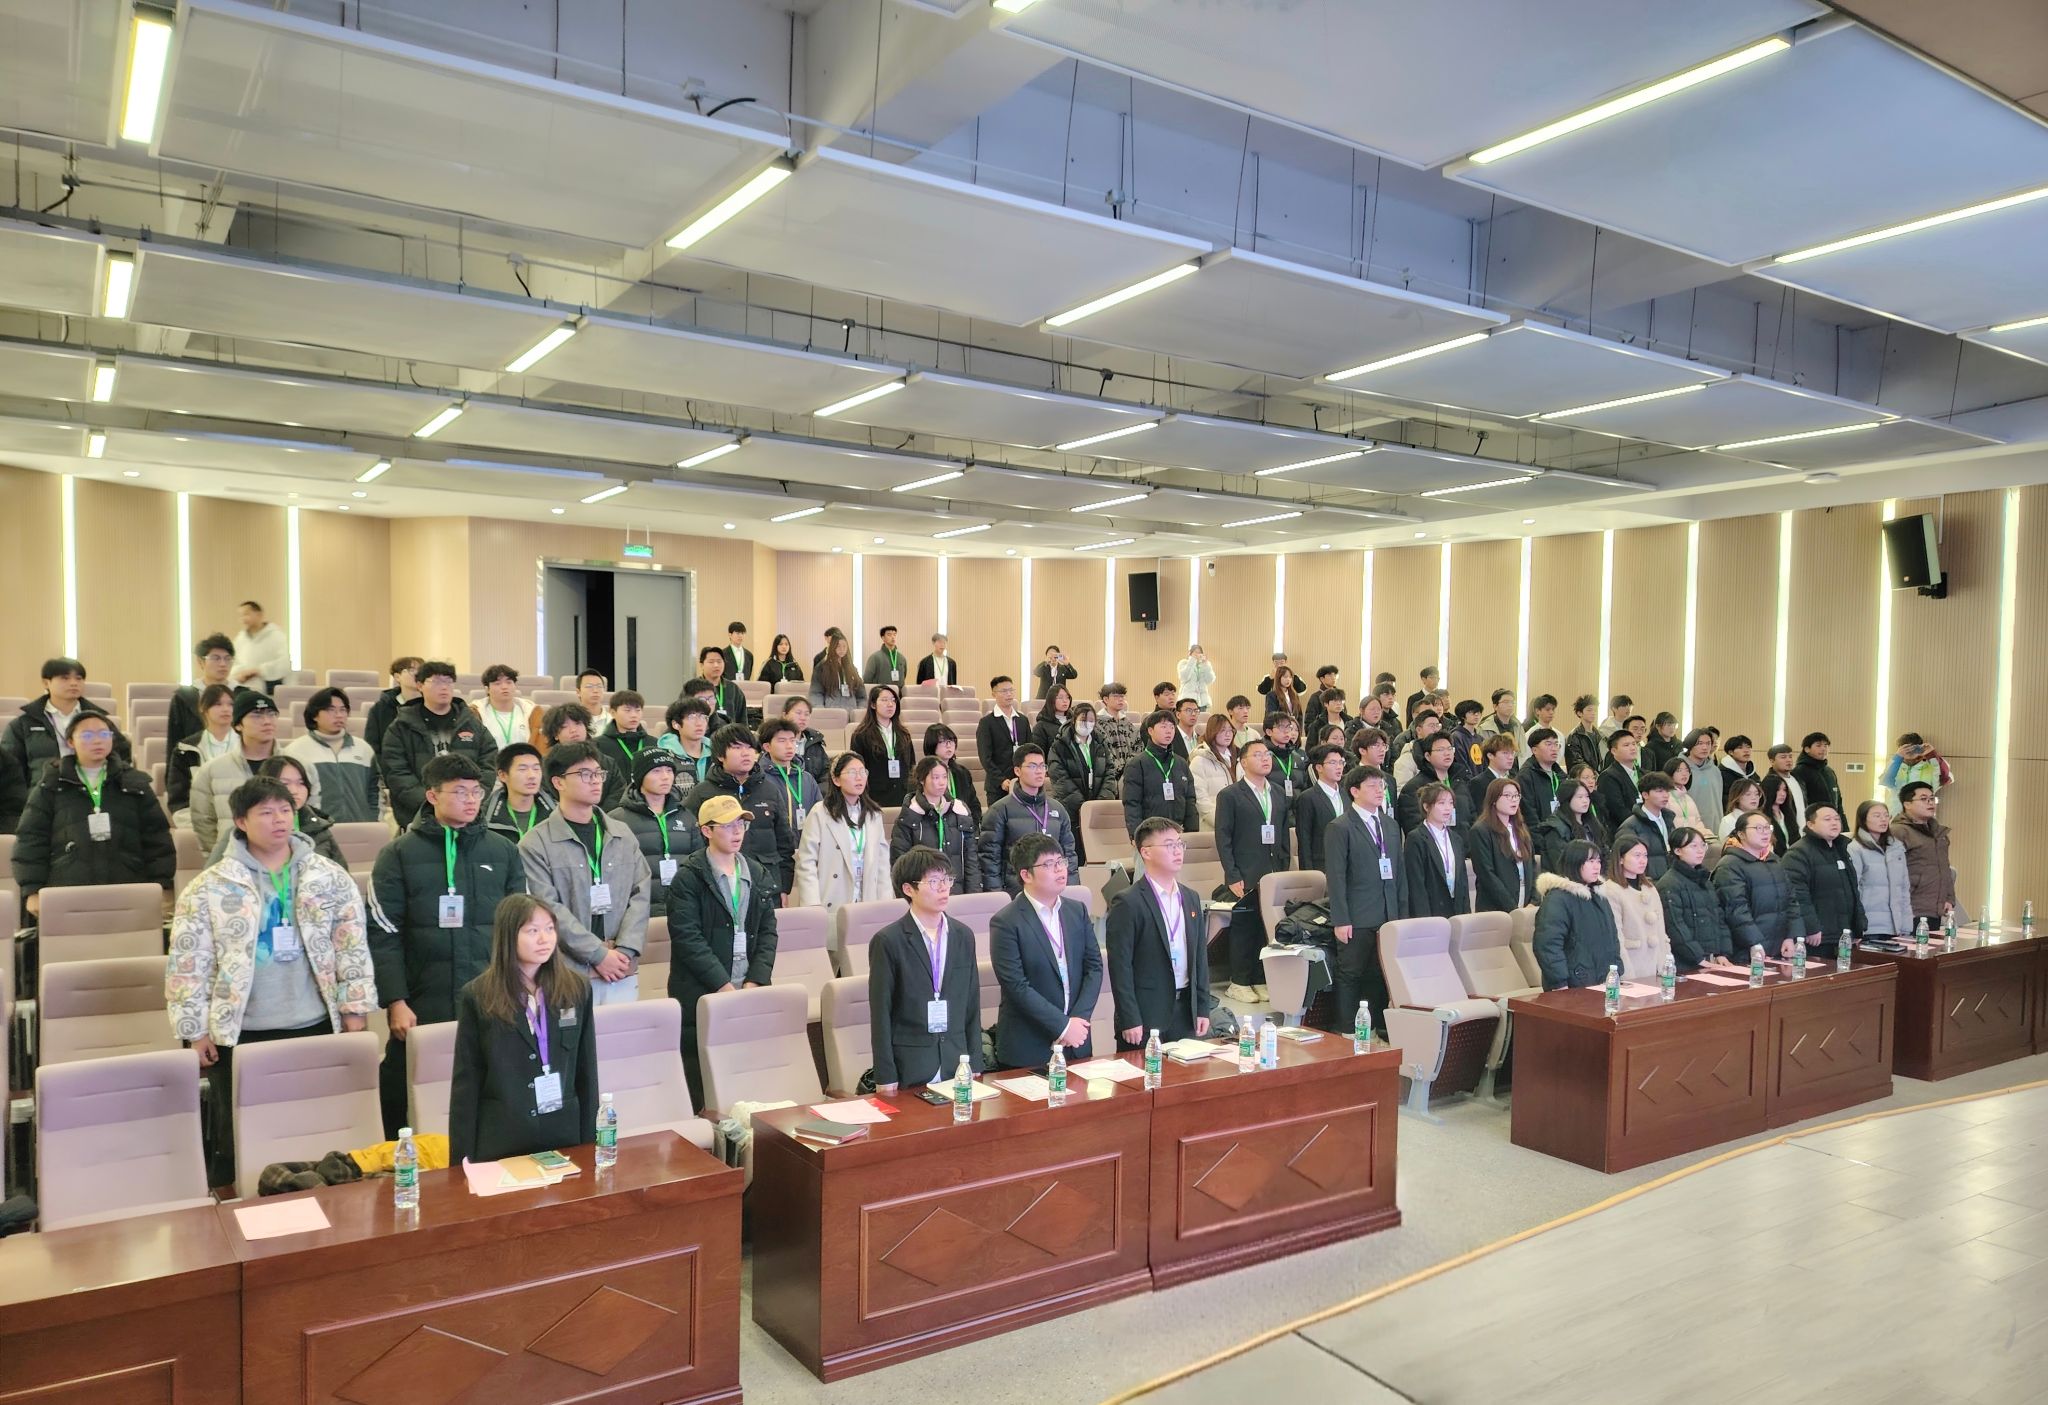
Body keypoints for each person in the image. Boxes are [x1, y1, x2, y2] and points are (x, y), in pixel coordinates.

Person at [168, 776, 374, 1182]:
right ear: (240, 822)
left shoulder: (327, 876)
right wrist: (195, 1030)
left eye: (285, 810)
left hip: (315, 1022)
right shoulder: (211, 885)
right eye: (266, 812)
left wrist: (355, 1009)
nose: (279, 820)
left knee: (315, 1130)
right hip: (241, 1031)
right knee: (245, 1138)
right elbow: (189, 962)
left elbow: (351, 946)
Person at [366, 753, 525, 1135]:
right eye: (459, 792)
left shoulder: (503, 850)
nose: (471, 800)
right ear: (432, 795)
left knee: (491, 1084)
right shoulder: (398, 854)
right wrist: (396, 1000)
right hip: (424, 995)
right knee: (408, 1084)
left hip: (489, 991)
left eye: (476, 792)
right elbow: (384, 932)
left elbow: (519, 927)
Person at [447, 894, 598, 1165]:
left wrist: (591, 1146)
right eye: (533, 931)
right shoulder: (479, 996)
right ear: (508, 936)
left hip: (564, 1134)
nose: (544, 939)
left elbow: (587, 1073)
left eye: (549, 929)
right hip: (502, 1138)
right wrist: (460, 1164)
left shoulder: (576, 988)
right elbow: (467, 1084)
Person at [666, 794, 781, 1110]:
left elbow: (768, 931)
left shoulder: (755, 872)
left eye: (741, 824)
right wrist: (723, 985)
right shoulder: (689, 877)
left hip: (748, 988)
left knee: (746, 1076)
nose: (737, 831)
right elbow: (688, 938)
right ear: (706, 830)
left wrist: (756, 980)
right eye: (728, 825)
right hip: (703, 992)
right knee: (703, 1081)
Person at [519, 741, 650, 1004]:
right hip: (568, 972)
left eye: (598, 773)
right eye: (584, 774)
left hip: (621, 968)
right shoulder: (535, 843)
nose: (595, 780)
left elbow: (641, 893)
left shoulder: (621, 833)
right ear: (558, 782)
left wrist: (624, 950)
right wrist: (597, 955)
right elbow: (548, 908)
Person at [13, 711, 173, 918]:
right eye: (87, 735)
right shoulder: (52, 785)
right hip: (67, 889)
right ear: (71, 742)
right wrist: (32, 890)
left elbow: (157, 838)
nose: (97, 741)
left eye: (104, 734)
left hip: (128, 886)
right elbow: (31, 838)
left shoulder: (134, 783)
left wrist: (163, 884)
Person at [869, 846, 983, 1091]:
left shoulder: (963, 935)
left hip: (957, 1062)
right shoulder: (888, 941)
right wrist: (885, 1075)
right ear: (908, 889)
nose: (943, 888)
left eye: (946, 879)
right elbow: (880, 1013)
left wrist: (975, 1060)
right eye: (933, 881)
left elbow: (971, 1003)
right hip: (911, 1066)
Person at [990, 833, 1102, 1069]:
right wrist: (1062, 1026)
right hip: (1029, 1045)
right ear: (1026, 875)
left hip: (1077, 1040)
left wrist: (1078, 1020)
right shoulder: (1006, 921)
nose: (1060, 869)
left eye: (1060, 861)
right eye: (1049, 864)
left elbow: (1094, 967)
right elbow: (1016, 985)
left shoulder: (1077, 911)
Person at [1105, 818, 1213, 1048]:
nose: (1177, 851)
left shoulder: (1190, 897)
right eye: (1169, 845)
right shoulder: (1128, 901)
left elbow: (1200, 957)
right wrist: (1129, 1017)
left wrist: (1202, 1006)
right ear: (1146, 852)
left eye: (1180, 844)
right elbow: (1120, 967)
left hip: (1185, 1010)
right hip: (1145, 1014)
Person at [2, 658, 129, 832]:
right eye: (65, 678)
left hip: (93, 794)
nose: (73, 683)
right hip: (43, 797)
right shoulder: (23, 724)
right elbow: (11, 770)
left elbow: (121, 757)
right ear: (46, 682)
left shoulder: (99, 721)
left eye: (79, 678)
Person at [1325, 765, 1404, 1034]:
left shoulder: (1390, 825)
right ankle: (1347, 1029)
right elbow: (1336, 877)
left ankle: (1374, 1028)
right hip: (1356, 915)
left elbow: (1399, 874)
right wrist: (1341, 919)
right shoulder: (1340, 827)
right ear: (1354, 791)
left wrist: (1400, 916)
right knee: (1351, 973)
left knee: (1379, 974)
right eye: (1371, 786)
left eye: (1381, 785)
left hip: (1387, 913)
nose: (1379, 790)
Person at [1214, 736, 1292, 1002]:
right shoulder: (1230, 795)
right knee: (1245, 928)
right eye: (1257, 755)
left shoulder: (1278, 792)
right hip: (1245, 872)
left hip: (1273, 872)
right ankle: (1239, 981)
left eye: (1267, 754)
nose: (1265, 758)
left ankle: (1259, 978)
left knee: (1265, 927)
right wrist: (1232, 875)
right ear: (1243, 762)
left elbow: (1283, 834)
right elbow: (1223, 838)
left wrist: (1283, 869)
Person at [679, 725, 793, 895]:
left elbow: (785, 843)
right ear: (720, 755)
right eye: (737, 747)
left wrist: (784, 888)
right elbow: (689, 842)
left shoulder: (769, 790)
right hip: (718, 885)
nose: (746, 753)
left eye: (749, 747)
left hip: (766, 884)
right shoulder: (702, 793)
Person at [380, 661, 497, 828]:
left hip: (466, 815)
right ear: (419, 685)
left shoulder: (471, 722)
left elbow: (488, 763)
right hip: (418, 815)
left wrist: (471, 796)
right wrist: (432, 802)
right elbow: (396, 772)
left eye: (448, 681)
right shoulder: (401, 727)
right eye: (436, 682)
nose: (444, 687)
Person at [794, 753, 891, 911]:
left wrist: (886, 903)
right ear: (836, 779)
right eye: (852, 772)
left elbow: (882, 864)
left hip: (867, 898)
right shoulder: (820, 813)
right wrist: (812, 904)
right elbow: (806, 862)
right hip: (831, 898)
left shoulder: (873, 814)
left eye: (862, 772)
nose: (859, 777)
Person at [1714, 810, 1816, 960]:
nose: (1765, 832)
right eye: (1758, 828)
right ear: (1741, 834)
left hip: (1779, 948)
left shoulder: (1774, 861)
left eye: (1768, 827)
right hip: (1747, 950)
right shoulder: (1730, 865)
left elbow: (1791, 901)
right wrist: (1754, 943)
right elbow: (1736, 910)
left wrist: (1791, 936)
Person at [977, 745, 1078, 895]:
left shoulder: (1058, 809)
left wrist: (1071, 890)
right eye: (1032, 766)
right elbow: (990, 859)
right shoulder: (1000, 810)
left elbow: (1069, 854)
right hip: (1016, 892)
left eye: (1042, 766)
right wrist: (997, 895)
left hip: (1053, 891)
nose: (1039, 771)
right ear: (1017, 771)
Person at [191, 691, 280, 853]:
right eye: (257, 715)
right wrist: (220, 854)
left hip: (287, 857)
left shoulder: (298, 766)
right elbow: (203, 821)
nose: (267, 721)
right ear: (238, 725)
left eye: (272, 714)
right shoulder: (212, 770)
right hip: (231, 857)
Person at [222, 754, 346, 869]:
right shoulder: (239, 834)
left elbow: (341, 874)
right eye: (285, 783)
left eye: (301, 783)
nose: (294, 791)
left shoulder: (319, 827)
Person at [1532, 841, 1621, 990]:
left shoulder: (1599, 896)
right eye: (1590, 861)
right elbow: (1548, 945)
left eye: (1598, 861)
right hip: (1570, 986)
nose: (1597, 866)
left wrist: (1617, 971)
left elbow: (1612, 939)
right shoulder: (1557, 899)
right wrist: (1559, 983)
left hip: (1602, 983)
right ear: (1574, 862)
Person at [283, 687, 379, 822]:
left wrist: (373, 820)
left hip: (360, 826)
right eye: (331, 710)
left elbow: (374, 792)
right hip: (316, 828)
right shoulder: (295, 751)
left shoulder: (363, 749)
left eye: (343, 710)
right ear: (315, 715)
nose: (339, 715)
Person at [1781, 803, 1864, 959]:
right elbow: (1798, 895)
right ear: (1810, 824)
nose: (1834, 823)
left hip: (1843, 934)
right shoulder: (1798, 853)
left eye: (1837, 819)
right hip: (1817, 937)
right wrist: (1811, 927)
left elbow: (1853, 890)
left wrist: (1858, 927)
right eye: (1827, 819)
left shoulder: (1843, 848)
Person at [613, 751, 695, 906]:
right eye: (656, 771)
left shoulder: (686, 816)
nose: (665, 777)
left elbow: (698, 864)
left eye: (669, 770)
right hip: (639, 908)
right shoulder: (617, 820)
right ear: (639, 777)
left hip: (683, 906)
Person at [892, 756, 982, 891]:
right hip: (924, 892)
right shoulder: (910, 815)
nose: (941, 782)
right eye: (935, 777)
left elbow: (971, 858)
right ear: (922, 780)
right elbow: (900, 862)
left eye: (944, 777)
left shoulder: (960, 811)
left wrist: (974, 893)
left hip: (956, 890)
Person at [1659, 828, 1739, 971]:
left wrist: (1722, 953)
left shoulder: (1705, 881)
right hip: (1685, 963)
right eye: (1693, 846)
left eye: (1703, 845)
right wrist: (1698, 958)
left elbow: (1719, 919)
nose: (1700, 850)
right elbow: (1675, 927)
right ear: (1677, 850)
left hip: (1711, 959)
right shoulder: (1669, 884)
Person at [759, 719, 823, 892]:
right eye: (782, 741)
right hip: (775, 854)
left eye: (792, 740)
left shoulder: (807, 778)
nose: (789, 746)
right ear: (767, 746)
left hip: (807, 851)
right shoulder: (760, 779)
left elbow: (820, 814)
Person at [169, 682, 238, 826]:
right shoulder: (186, 750)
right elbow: (179, 802)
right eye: (218, 704)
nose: (226, 709)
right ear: (203, 708)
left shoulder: (249, 745)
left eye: (230, 704)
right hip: (199, 825)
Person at [1603, 835, 1672, 980]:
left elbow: (1661, 931)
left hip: (1657, 967)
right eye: (1637, 855)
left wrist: (1666, 964)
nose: (1643, 860)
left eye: (1645, 856)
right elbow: (1616, 936)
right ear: (1621, 859)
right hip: (1632, 967)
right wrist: (1627, 975)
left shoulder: (1650, 888)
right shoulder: (1611, 890)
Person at [1049, 702, 1112, 857]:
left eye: (1091, 720)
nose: (1087, 724)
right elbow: (1060, 778)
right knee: (1075, 852)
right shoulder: (1060, 746)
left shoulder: (1101, 743)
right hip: (1072, 809)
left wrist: (1099, 803)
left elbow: (1110, 772)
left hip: (1097, 808)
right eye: (1083, 720)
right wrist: (1082, 806)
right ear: (1073, 720)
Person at [1122, 708, 1198, 837]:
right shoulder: (1137, 764)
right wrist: (1136, 835)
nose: (1169, 731)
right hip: (1150, 834)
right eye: (1163, 726)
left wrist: (1192, 833)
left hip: (1179, 832)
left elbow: (1190, 800)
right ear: (1150, 731)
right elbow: (1132, 803)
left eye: (1172, 727)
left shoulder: (1181, 763)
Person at [1468, 777, 1539, 912]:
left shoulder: (1521, 828)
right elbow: (1487, 874)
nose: (1513, 800)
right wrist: (1512, 907)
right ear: (1494, 799)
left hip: (1526, 904)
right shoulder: (1480, 831)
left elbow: (1533, 867)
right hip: (1496, 909)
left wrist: (1534, 901)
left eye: (1516, 796)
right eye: (1507, 795)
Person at [1401, 782, 1470, 918]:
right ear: (1426, 806)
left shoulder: (1456, 838)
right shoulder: (1416, 838)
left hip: (1456, 909)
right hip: (1431, 910)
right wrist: (1424, 918)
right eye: (1441, 803)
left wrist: (1466, 913)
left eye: (1451, 803)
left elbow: (1463, 880)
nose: (1448, 808)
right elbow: (1416, 883)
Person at [1893, 781, 1957, 923]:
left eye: (1932, 798)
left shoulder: (1939, 833)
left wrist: (1949, 898)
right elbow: (1892, 873)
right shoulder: (1898, 831)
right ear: (1907, 804)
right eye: (1923, 799)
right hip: (1910, 910)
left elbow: (1945, 870)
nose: (1930, 803)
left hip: (1935, 910)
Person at [1849, 800, 1915, 937]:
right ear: (1863, 819)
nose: (1883, 819)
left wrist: (1906, 925)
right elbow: (1854, 890)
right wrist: (1856, 926)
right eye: (1877, 816)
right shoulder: (1855, 848)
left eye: (1886, 815)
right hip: (1869, 927)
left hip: (1896, 927)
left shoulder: (1897, 848)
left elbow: (1904, 889)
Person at [849, 685, 915, 808]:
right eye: (884, 700)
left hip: (902, 795)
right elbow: (858, 769)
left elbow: (911, 765)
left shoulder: (904, 734)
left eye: (893, 700)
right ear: (873, 705)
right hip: (874, 797)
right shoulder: (861, 735)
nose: (890, 704)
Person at [168, 633, 236, 748]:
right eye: (215, 658)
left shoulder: (242, 694)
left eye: (227, 658)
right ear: (200, 662)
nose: (223, 664)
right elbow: (174, 739)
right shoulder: (184, 697)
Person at [1397, 732, 1468, 833]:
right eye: (1440, 750)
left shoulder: (1459, 781)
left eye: (1450, 749)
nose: (1447, 753)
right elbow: (1414, 826)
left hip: (1462, 842)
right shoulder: (1415, 787)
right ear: (1427, 756)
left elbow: (1471, 816)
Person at [1293, 744, 1348, 873]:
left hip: (1347, 863)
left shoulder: (1346, 795)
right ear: (1319, 767)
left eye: (1341, 762)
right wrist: (1308, 873)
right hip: (1321, 864)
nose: (1339, 767)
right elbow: (1304, 839)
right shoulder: (1308, 798)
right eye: (1333, 763)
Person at [975, 675, 1030, 802]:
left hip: (1022, 783)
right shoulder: (987, 723)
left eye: (1011, 690)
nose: (1009, 694)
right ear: (994, 694)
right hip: (998, 787)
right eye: (1004, 691)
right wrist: (1001, 780)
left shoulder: (1022, 720)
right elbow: (985, 757)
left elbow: (1029, 750)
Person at [485, 742, 552, 843]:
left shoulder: (556, 815)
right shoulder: (485, 818)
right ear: (502, 775)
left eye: (536, 769)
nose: (532, 775)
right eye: (522, 769)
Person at [1615, 772, 1676, 880]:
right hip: (1647, 881)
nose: (1665, 795)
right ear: (1645, 795)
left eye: (1667, 791)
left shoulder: (1668, 820)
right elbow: (1623, 859)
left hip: (1670, 879)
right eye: (1659, 791)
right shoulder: (1630, 826)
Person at [919, 723, 982, 829]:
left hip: (962, 827)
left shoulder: (962, 773)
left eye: (951, 740)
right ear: (931, 745)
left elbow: (974, 804)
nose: (949, 745)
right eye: (942, 741)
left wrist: (972, 826)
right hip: (933, 828)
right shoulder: (923, 773)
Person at [1538, 780, 1606, 874]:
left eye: (1587, 796)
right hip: (1568, 879)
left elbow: (1605, 854)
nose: (1585, 800)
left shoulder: (1592, 824)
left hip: (1595, 877)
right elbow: (1562, 865)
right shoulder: (1556, 829)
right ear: (1567, 799)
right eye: (1580, 797)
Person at [229, 600, 291, 693]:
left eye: (246, 614)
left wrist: (258, 670)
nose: (243, 619)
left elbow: (283, 663)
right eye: (241, 616)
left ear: (259, 615)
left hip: (271, 685)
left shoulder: (276, 635)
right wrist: (240, 673)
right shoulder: (240, 638)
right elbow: (234, 662)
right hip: (244, 684)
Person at [365, 657, 423, 756]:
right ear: (397, 677)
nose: (417, 674)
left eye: (421, 670)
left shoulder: (433, 705)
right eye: (412, 670)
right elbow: (373, 747)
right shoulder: (380, 709)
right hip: (389, 762)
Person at [475, 665, 536, 755]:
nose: (504, 687)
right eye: (497, 683)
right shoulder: (477, 714)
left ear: (515, 686)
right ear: (487, 689)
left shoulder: (530, 712)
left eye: (509, 682)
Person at [1190, 714, 1236, 829]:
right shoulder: (1199, 761)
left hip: (1237, 823)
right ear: (1212, 732)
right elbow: (1201, 801)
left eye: (1230, 730)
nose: (1228, 734)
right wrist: (1222, 823)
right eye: (1223, 730)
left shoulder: (1237, 759)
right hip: (1212, 825)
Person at [1517, 726, 1568, 826]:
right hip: (1540, 832)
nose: (1554, 748)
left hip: (1562, 831)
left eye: (1556, 744)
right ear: (1534, 750)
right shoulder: (1525, 777)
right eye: (1548, 744)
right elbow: (1528, 815)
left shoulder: (1560, 775)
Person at [658, 697, 715, 785]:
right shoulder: (663, 756)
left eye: (703, 717)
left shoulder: (717, 753)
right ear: (676, 724)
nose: (699, 723)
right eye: (691, 717)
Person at [1878, 731, 1948, 802]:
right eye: (1906, 748)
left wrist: (1932, 754)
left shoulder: (1930, 766)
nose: (1910, 751)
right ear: (1899, 749)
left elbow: (1945, 778)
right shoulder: (1894, 766)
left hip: (1923, 807)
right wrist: (1898, 757)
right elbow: (1885, 781)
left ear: (1920, 748)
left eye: (1914, 748)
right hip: (1897, 808)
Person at [1594, 729, 1642, 831]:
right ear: (1614, 751)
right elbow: (1618, 810)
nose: (1632, 748)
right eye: (1626, 745)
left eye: (1634, 744)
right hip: (1624, 831)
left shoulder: (1644, 774)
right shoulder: (1608, 777)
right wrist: (1642, 825)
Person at [1093, 683, 1139, 786]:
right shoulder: (1097, 724)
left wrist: (1129, 768)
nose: (1120, 699)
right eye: (1116, 696)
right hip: (1107, 776)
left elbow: (1137, 746)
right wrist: (1118, 770)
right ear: (1106, 699)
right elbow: (1100, 751)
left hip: (1130, 775)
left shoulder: (1128, 723)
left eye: (1122, 696)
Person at [1464, 732, 1519, 819]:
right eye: (1505, 753)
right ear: (1490, 755)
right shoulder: (1478, 783)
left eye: (1512, 753)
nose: (1511, 757)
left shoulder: (1514, 781)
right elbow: (1479, 815)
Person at [782, 697, 832, 788]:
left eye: (807, 714)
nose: (803, 718)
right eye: (798, 713)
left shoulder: (815, 742)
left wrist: (816, 793)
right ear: (785, 715)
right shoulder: (774, 742)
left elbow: (826, 775)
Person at [1680, 729, 1723, 834]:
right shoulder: (1679, 769)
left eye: (1708, 743)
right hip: (1689, 829)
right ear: (1690, 745)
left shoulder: (1715, 770)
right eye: (1700, 743)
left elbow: (1718, 801)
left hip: (1714, 829)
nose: (1705, 747)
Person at [810, 629, 865, 709]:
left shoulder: (852, 669)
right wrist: (820, 710)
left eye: (844, 646)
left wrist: (861, 709)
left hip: (851, 711)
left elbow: (861, 694)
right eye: (838, 646)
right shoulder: (822, 668)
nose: (842, 649)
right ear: (832, 647)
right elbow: (816, 693)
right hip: (831, 712)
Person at [1793, 732, 1842, 818]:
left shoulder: (1829, 771)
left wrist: (1843, 824)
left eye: (1826, 745)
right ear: (1807, 749)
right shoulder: (1799, 771)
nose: (1823, 749)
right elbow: (1798, 803)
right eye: (1818, 745)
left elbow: (1838, 802)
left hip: (1831, 820)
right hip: (1812, 821)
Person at [693, 649, 745, 728]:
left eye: (719, 661)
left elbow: (742, 720)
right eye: (711, 662)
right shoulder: (693, 687)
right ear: (701, 665)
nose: (716, 665)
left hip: (730, 733)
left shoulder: (733, 688)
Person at [1758, 772, 1800, 856]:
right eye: (1778, 790)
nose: (1782, 794)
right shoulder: (1760, 817)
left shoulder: (1788, 814)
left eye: (1784, 790)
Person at [1563, 694, 1603, 777]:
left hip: (1600, 778)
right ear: (1580, 713)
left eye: (1595, 710)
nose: (1593, 713)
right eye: (1589, 710)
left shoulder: (1600, 735)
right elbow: (1576, 763)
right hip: (1583, 778)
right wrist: (1594, 775)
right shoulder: (1574, 736)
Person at [1664, 757, 1706, 835]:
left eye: (1687, 770)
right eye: (1679, 770)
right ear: (1669, 774)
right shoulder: (1665, 797)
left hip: (1691, 839)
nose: (1684, 774)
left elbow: (1698, 822)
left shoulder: (1688, 798)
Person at [1030, 683, 1075, 754]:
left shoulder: (1074, 722)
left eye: (1067, 697)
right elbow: (1038, 753)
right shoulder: (1041, 726)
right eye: (1060, 698)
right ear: (1051, 700)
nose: (1065, 701)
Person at [1719, 776, 1765, 840]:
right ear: (1737, 797)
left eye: (1756, 794)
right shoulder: (1728, 821)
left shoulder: (1762, 819)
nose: (1754, 797)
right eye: (1748, 794)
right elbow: (1728, 844)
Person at [1176, 644, 1215, 712]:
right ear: (1190, 654)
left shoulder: (1204, 665)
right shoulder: (1184, 663)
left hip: (1202, 702)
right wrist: (1192, 660)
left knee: (1202, 717)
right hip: (1188, 699)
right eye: (1195, 652)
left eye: (1199, 653)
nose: (1198, 654)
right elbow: (1184, 677)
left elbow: (1210, 680)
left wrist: (1205, 664)